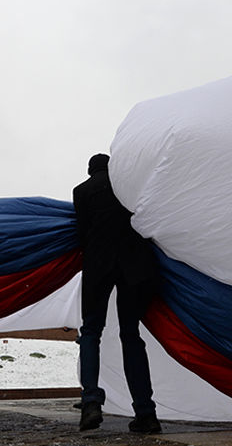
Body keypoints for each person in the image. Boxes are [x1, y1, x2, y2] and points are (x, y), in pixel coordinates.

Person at [73, 154, 162, 434]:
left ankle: (90, 403)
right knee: (130, 335)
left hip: (99, 266)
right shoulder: (127, 187)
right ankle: (146, 412)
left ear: (90, 171)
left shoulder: (81, 191)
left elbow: (82, 234)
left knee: (90, 332)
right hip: (134, 267)